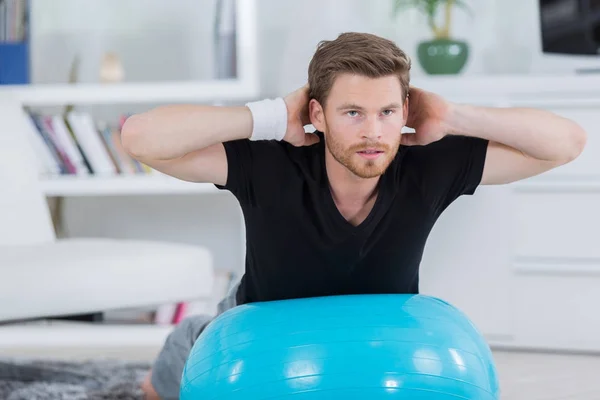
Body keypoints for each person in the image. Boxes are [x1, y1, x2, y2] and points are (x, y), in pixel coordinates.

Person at [121, 32, 587, 400]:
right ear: (317, 115)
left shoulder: (428, 165)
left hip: (373, 343)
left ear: (405, 110)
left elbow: (567, 143)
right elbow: (140, 138)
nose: (372, 132)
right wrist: (269, 117)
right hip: (253, 333)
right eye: (352, 113)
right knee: (160, 385)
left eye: (387, 111)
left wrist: (452, 115)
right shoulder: (270, 163)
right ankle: (183, 340)